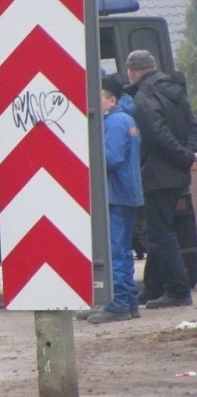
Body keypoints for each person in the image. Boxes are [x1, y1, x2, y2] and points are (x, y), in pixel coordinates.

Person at [125, 50, 196, 308]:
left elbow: (157, 135)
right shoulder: (175, 90)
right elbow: (192, 125)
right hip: (176, 174)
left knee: (160, 233)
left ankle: (178, 290)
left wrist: (184, 158)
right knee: (160, 228)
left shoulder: (144, 97)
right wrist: (189, 155)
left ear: (133, 71)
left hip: (157, 173)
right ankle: (153, 288)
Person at [83, 76, 144, 323]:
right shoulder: (127, 120)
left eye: (99, 97)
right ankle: (128, 301)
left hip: (115, 193)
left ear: (111, 100)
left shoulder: (115, 122)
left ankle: (118, 302)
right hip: (127, 192)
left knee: (115, 250)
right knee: (122, 249)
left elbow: (111, 158)